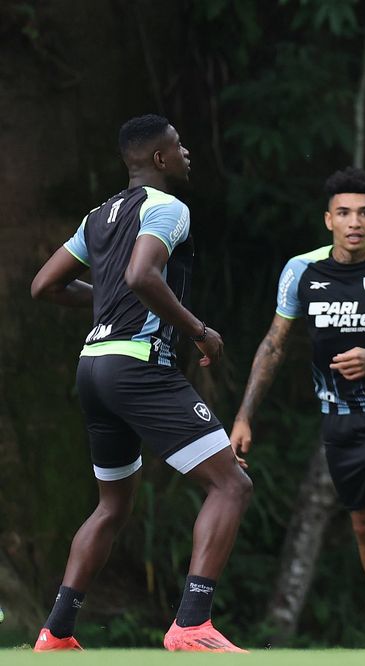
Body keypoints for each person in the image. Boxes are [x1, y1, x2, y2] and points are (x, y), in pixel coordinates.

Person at [29, 114, 253, 651]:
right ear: (158, 159)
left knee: (112, 505)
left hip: (93, 369)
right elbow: (141, 275)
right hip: (137, 365)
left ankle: (56, 632)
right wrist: (199, 331)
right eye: (178, 145)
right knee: (231, 485)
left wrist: (104, 297)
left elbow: (45, 285)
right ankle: (193, 624)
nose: (186, 152)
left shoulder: (98, 215)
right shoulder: (168, 207)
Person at [230, 167, 365, 649]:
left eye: (364, 213)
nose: (354, 222)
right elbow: (274, 345)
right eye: (344, 213)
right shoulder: (301, 270)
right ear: (329, 220)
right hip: (340, 421)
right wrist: (244, 416)